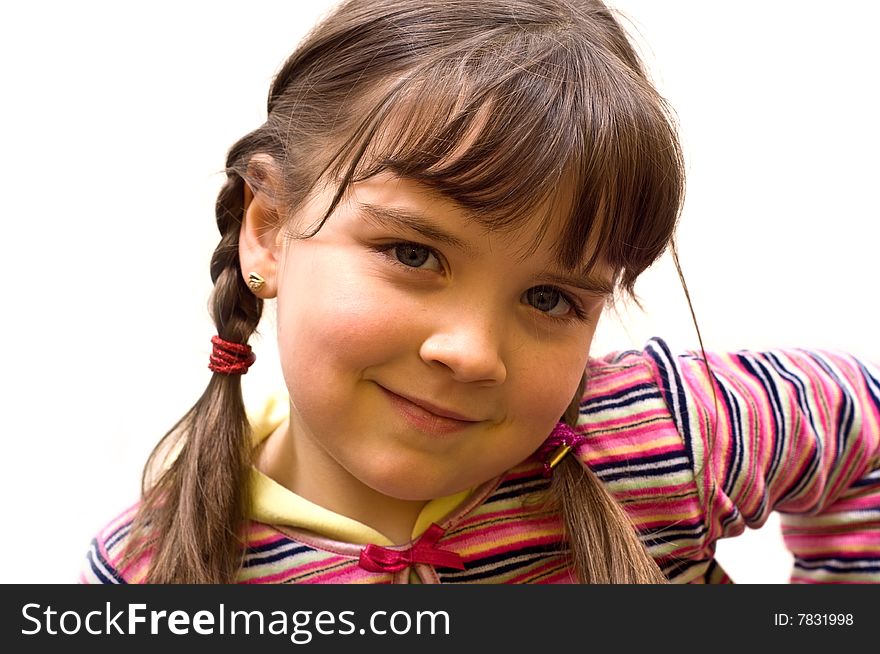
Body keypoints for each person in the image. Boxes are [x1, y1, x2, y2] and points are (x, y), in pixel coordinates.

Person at [81, 0, 880, 585]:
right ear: (269, 229)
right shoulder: (157, 571)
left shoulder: (664, 436)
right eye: (413, 252)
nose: (470, 352)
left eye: (548, 300)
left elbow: (863, 428)